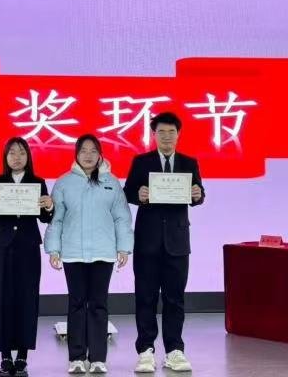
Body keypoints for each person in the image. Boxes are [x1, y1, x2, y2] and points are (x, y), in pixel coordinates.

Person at [44, 134, 134, 374]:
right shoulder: (64, 183)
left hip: (103, 253)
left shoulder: (111, 182)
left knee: (98, 304)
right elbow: (56, 219)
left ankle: (98, 358)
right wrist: (53, 249)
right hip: (72, 253)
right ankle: (76, 357)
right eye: (83, 150)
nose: (88, 155)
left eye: (93, 151)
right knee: (76, 303)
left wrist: (123, 247)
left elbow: (122, 217)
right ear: (76, 154)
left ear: (100, 155)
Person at [123, 112, 205, 373]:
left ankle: (174, 350)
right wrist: (139, 194)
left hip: (177, 242)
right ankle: (145, 350)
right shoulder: (141, 162)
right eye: (161, 132)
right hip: (147, 241)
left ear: (178, 134)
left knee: (175, 299)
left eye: (171, 132)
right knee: (145, 297)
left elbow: (198, 194)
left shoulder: (189, 163)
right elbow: (127, 192)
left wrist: (197, 194)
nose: (167, 137)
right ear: (154, 135)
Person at [0, 137, 55, 377]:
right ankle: (4, 356)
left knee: (27, 298)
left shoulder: (38, 182)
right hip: (1, 247)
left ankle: (22, 356)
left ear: (28, 156)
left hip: (27, 247)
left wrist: (49, 206)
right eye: (12, 153)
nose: (17, 157)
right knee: (0, 298)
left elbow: (46, 218)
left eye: (21, 152)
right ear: (5, 157)